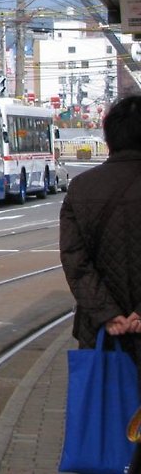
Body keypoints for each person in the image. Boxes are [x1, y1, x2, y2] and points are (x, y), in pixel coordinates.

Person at [60, 95, 141, 385]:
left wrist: (108, 314)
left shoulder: (81, 188)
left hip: (102, 334)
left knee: (106, 420)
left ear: (109, 138)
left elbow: (75, 261)